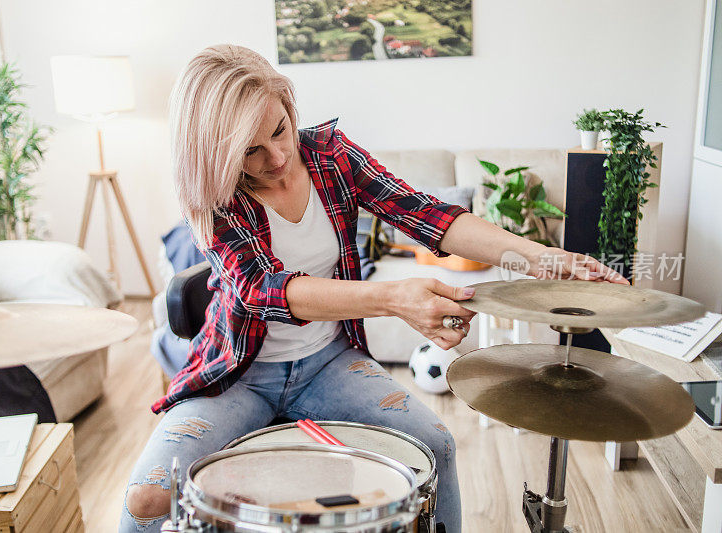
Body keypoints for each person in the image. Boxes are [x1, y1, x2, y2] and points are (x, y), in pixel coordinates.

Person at [119, 44, 627, 533]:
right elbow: (263, 289)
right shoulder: (216, 196)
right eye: (251, 151)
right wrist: (393, 299)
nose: (277, 157)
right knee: (146, 499)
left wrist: (542, 258)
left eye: (279, 130)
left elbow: (425, 214)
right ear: (216, 153)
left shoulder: (329, 155)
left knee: (436, 445)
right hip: (239, 376)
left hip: (327, 361)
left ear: (289, 106)